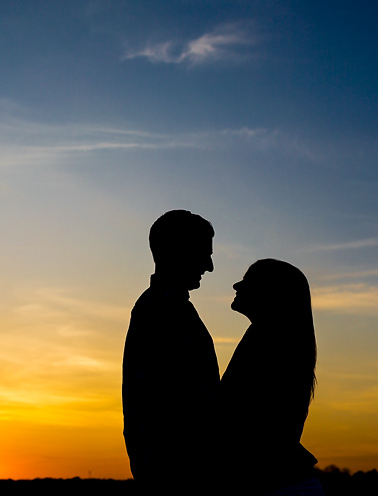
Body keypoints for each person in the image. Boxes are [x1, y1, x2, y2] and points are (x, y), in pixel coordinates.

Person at [122, 210, 219, 491]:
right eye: (204, 253)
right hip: (177, 476)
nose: (210, 266)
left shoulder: (171, 308)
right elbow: (169, 406)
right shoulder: (159, 311)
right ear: (177, 251)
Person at [221, 259, 323, 495]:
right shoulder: (272, 341)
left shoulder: (272, 346)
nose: (236, 285)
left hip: (278, 487)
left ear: (270, 293)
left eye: (248, 281)